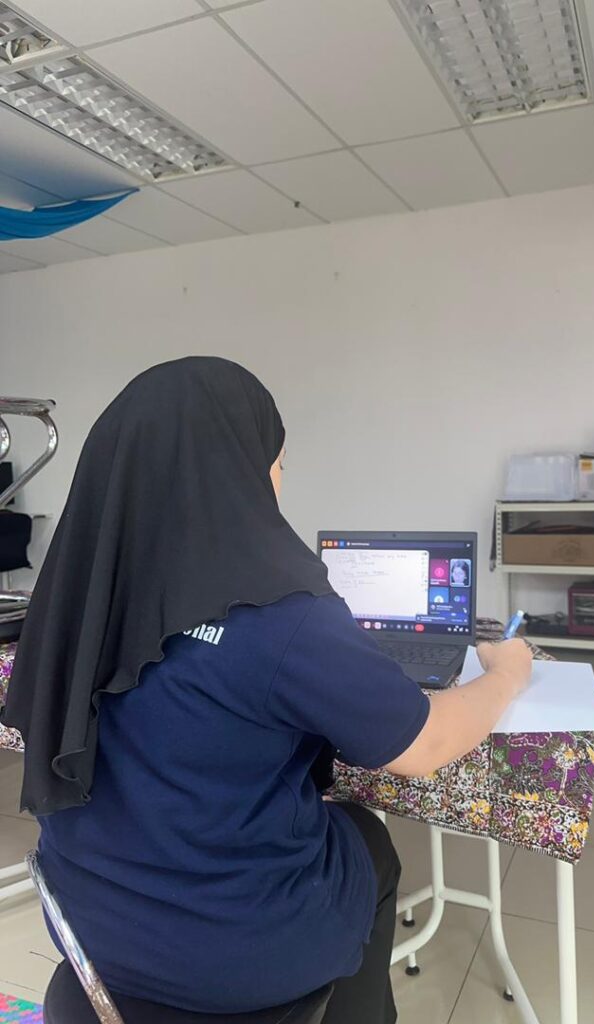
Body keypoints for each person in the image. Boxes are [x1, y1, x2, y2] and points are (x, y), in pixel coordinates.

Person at [1, 358, 532, 1023]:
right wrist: (507, 674)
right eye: (278, 464)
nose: (280, 481)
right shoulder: (279, 611)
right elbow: (424, 744)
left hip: (88, 928)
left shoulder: (75, 591)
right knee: (367, 841)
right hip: (225, 955)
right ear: (240, 473)